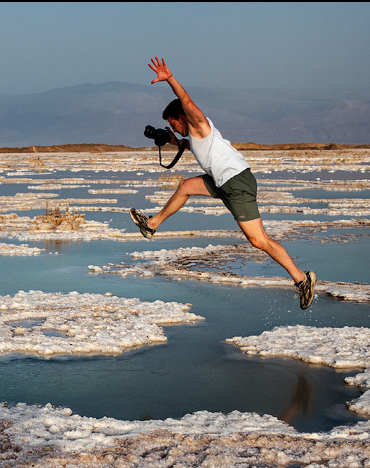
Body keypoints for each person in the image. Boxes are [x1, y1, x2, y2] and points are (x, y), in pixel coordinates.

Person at [131, 57, 316, 310]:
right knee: (185, 186)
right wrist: (168, 139)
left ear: (181, 117)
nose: (173, 127)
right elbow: (187, 145)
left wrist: (170, 79)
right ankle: (151, 225)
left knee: (258, 240)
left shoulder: (199, 123)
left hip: (236, 182)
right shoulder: (194, 137)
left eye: (172, 123)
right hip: (222, 181)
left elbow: (187, 102)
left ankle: (302, 280)